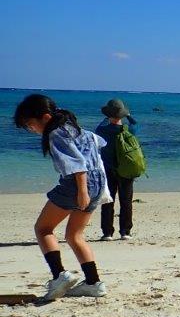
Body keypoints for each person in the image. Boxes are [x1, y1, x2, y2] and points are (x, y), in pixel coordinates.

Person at [14, 94, 109, 300]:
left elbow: (77, 165)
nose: (31, 129)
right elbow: (100, 143)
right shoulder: (76, 129)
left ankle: (59, 276)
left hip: (77, 186)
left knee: (43, 229)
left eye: (30, 124)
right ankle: (94, 283)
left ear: (45, 117)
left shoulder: (56, 133)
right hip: (98, 184)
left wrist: (82, 191)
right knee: (75, 235)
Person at [95, 98, 141, 241]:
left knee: (108, 201)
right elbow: (135, 123)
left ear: (109, 115)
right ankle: (125, 232)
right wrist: (128, 115)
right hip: (126, 170)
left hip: (108, 170)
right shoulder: (128, 130)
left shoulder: (102, 130)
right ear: (122, 114)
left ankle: (107, 233)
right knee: (126, 201)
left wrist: (107, 117)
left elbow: (99, 127)